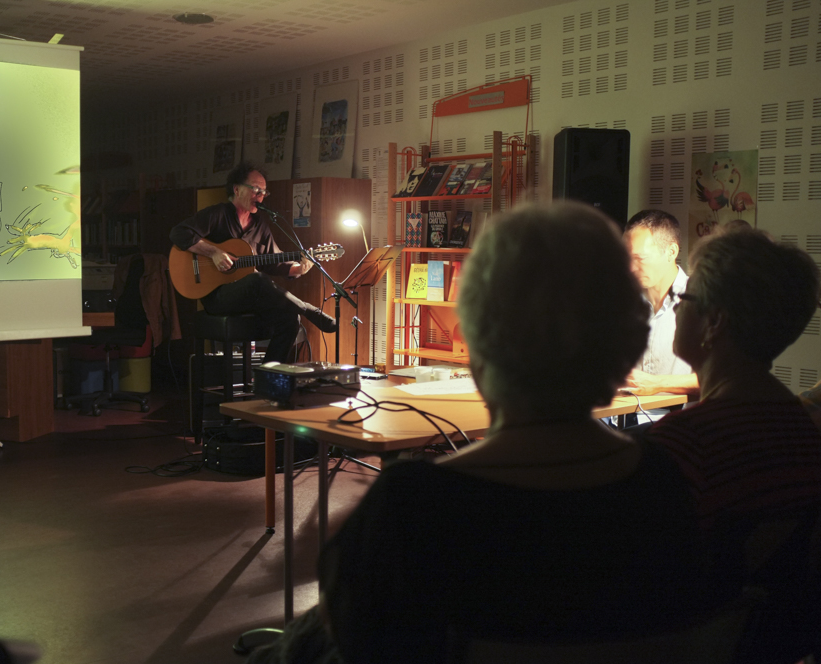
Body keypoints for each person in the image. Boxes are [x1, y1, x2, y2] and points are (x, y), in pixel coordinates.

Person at [251, 203, 709, 664]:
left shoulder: (411, 508)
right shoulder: (670, 483)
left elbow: (359, 641)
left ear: (478, 344)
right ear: (625, 346)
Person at [643, 227, 821, 662]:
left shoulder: (684, 444)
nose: (677, 306)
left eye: (686, 298)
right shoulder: (807, 430)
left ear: (715, 322)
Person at [169, 162, 336, 363]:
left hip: (249, 298)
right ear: (236, 189)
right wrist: (213, 252)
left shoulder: (260, 225)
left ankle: (268, 376)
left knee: (290, 318)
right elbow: (178, 233)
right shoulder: (217, 214)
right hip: (217, 297)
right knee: (257, 279)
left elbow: (273, 262)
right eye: (256, 189)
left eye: (264, 192)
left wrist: (300, 267)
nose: (260, 196)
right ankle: (309, 310)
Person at [622, 210, 699, 398]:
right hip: (622, 411)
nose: (631, 267)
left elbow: (725, 377)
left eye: (640, 258)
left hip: (676, 414)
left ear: (671, 252)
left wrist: (657, 384)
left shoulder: (701, 299)